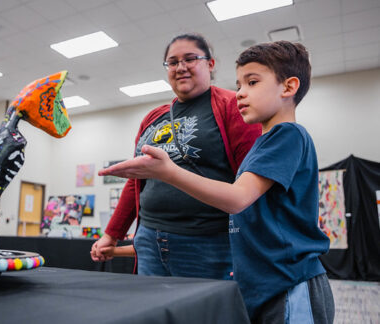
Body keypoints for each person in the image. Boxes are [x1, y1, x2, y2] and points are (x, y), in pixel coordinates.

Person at [98, 41, 334, 323]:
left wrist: (168, 172)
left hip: (289, 282)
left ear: (288, 87)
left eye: (252, 82)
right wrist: (119, 245)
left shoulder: (288, 135)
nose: (240, 93)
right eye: (239, 84)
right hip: (262, 283)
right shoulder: (263, 145)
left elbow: (237, 198)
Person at [90, 33, 261, 280]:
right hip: (149, 239)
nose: (181, 67)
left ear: (210, 64)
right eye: (173, 62)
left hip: (209, 244)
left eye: (190, 59)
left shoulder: (232, 105)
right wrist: (111, 234)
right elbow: (135, 182)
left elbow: (250, 179)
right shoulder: (152, 118)